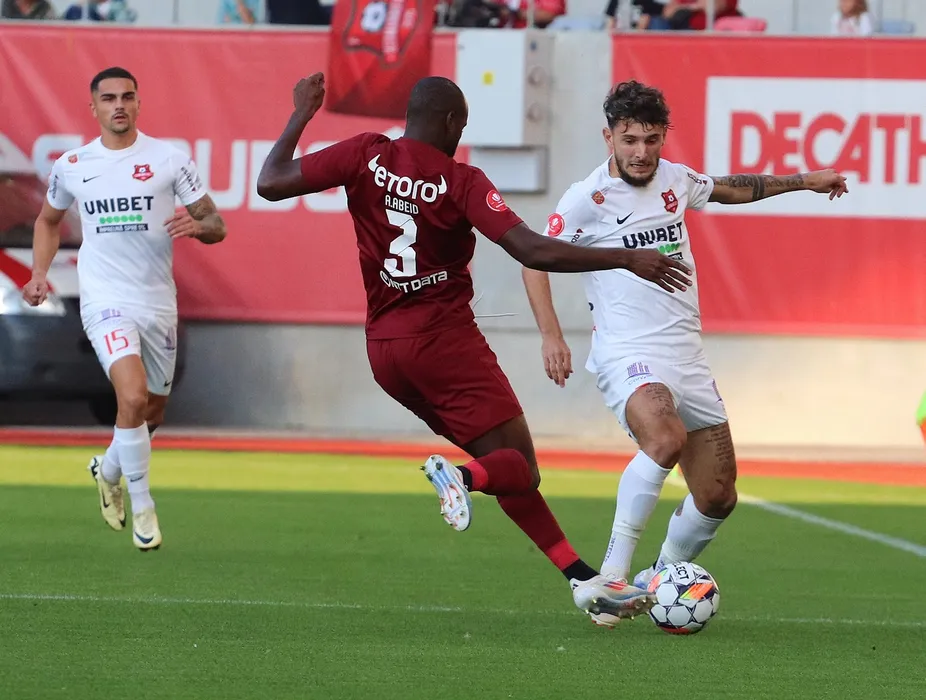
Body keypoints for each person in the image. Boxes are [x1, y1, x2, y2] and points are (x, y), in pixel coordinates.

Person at [257, 73, 693, 623]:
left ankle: (583, 580)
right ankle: (459, 477)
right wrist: (627, 257)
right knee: (517, 468)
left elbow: (270, 182)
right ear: (451, 123)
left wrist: (302, 112)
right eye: (461, 126)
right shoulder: (460, 181)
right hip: (444, 345)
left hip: (386, 352)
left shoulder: (364, 154)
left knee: (503, 465)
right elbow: (532, 250)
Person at [522, 80, 847, 624]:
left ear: (663, 137)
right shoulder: (587, 199)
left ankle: (656, 578)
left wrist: (804, 182)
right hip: (628, 351)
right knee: (664, 438)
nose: (641, 152)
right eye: (630, 140)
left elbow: (734, 188)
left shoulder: (674, 180)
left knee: (718, 495)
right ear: (609, 137)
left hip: (686, 356)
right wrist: (551, 335)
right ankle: (613, 579)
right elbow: (535, 260)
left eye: (651, 140)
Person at [23, 67, 227, 551]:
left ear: (138, 104)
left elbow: (216, 222)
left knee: (151, 412)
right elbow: (48, 221)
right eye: (109, 98)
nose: (119, 105)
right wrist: (38, 273)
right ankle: (144, 508)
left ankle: (108, 468)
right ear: (93, 107)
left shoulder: (169, 160)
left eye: (127, 97)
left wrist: (201, 227)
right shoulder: (73, 165)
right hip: (105, 300)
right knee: (131, 398)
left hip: (157, 302)